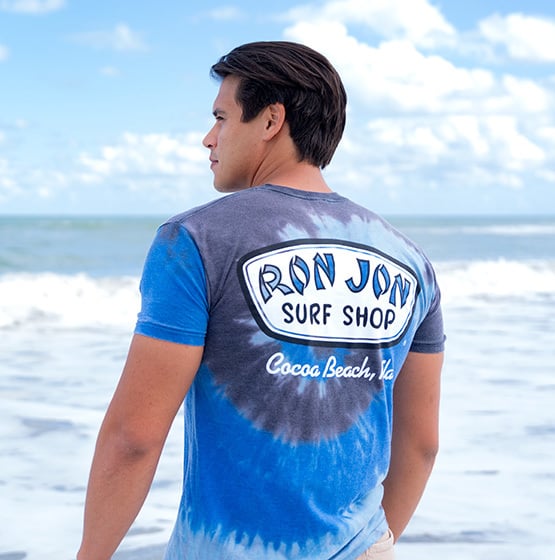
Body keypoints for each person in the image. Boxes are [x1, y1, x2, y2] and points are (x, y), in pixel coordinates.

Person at [77, 41, 445, 560]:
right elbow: (421, 444)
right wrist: (373, 546)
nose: (209, 139)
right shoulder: (412, 262)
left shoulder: (196, 240)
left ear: (272, 120)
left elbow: (133, 438)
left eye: (221, 118)